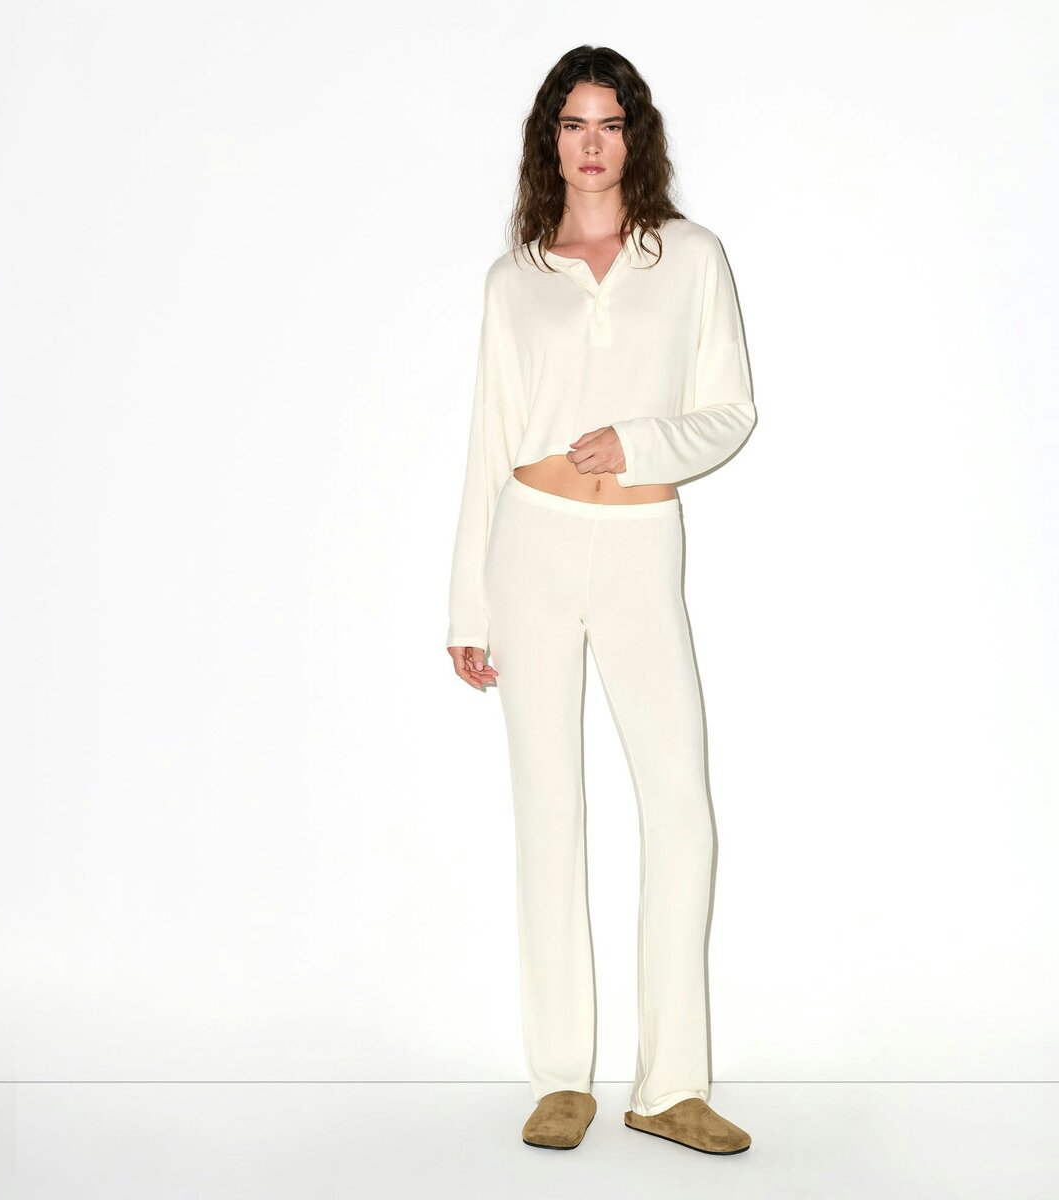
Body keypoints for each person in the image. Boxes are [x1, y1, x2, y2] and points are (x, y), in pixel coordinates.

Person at [445, 45, 756, 1155]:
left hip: (637, 543)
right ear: (551, 139)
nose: (591, 142)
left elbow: (730, 411)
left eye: (609, 123)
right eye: (573, 123)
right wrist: (467, 606)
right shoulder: (515, 277)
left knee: (681, 808)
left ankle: (669, 1086)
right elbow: (488, 442)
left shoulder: (691, 258)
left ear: (635, 137)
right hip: (528, 544)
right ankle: (561, 1077)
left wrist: (638, 441)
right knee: (549, 807)